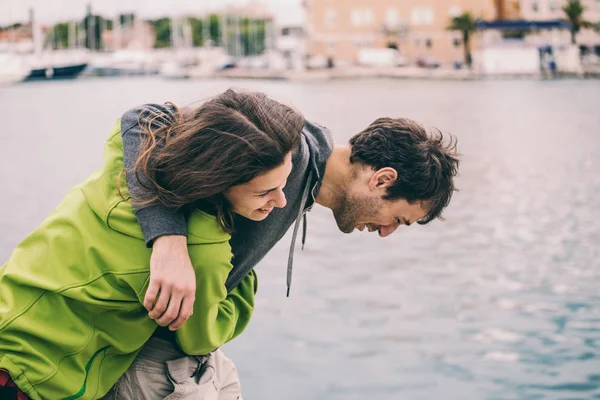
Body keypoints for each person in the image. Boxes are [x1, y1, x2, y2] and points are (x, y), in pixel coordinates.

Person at [111, 98, 461, 398]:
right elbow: (143, 119)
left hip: (195, 350)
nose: (386, 233)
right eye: (398, 219)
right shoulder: (282, 147)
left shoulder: (302, 179)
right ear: (382, 179)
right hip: (153, 353)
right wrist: (167, 240)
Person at [0, 89, 305, 400]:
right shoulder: (203, 250)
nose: (280, 201)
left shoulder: (131, 160)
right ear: (220, 180)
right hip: (34, 378)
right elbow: (200, 337)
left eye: (284, 185)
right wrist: (247, 270)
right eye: (266, 191)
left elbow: (140, 117)